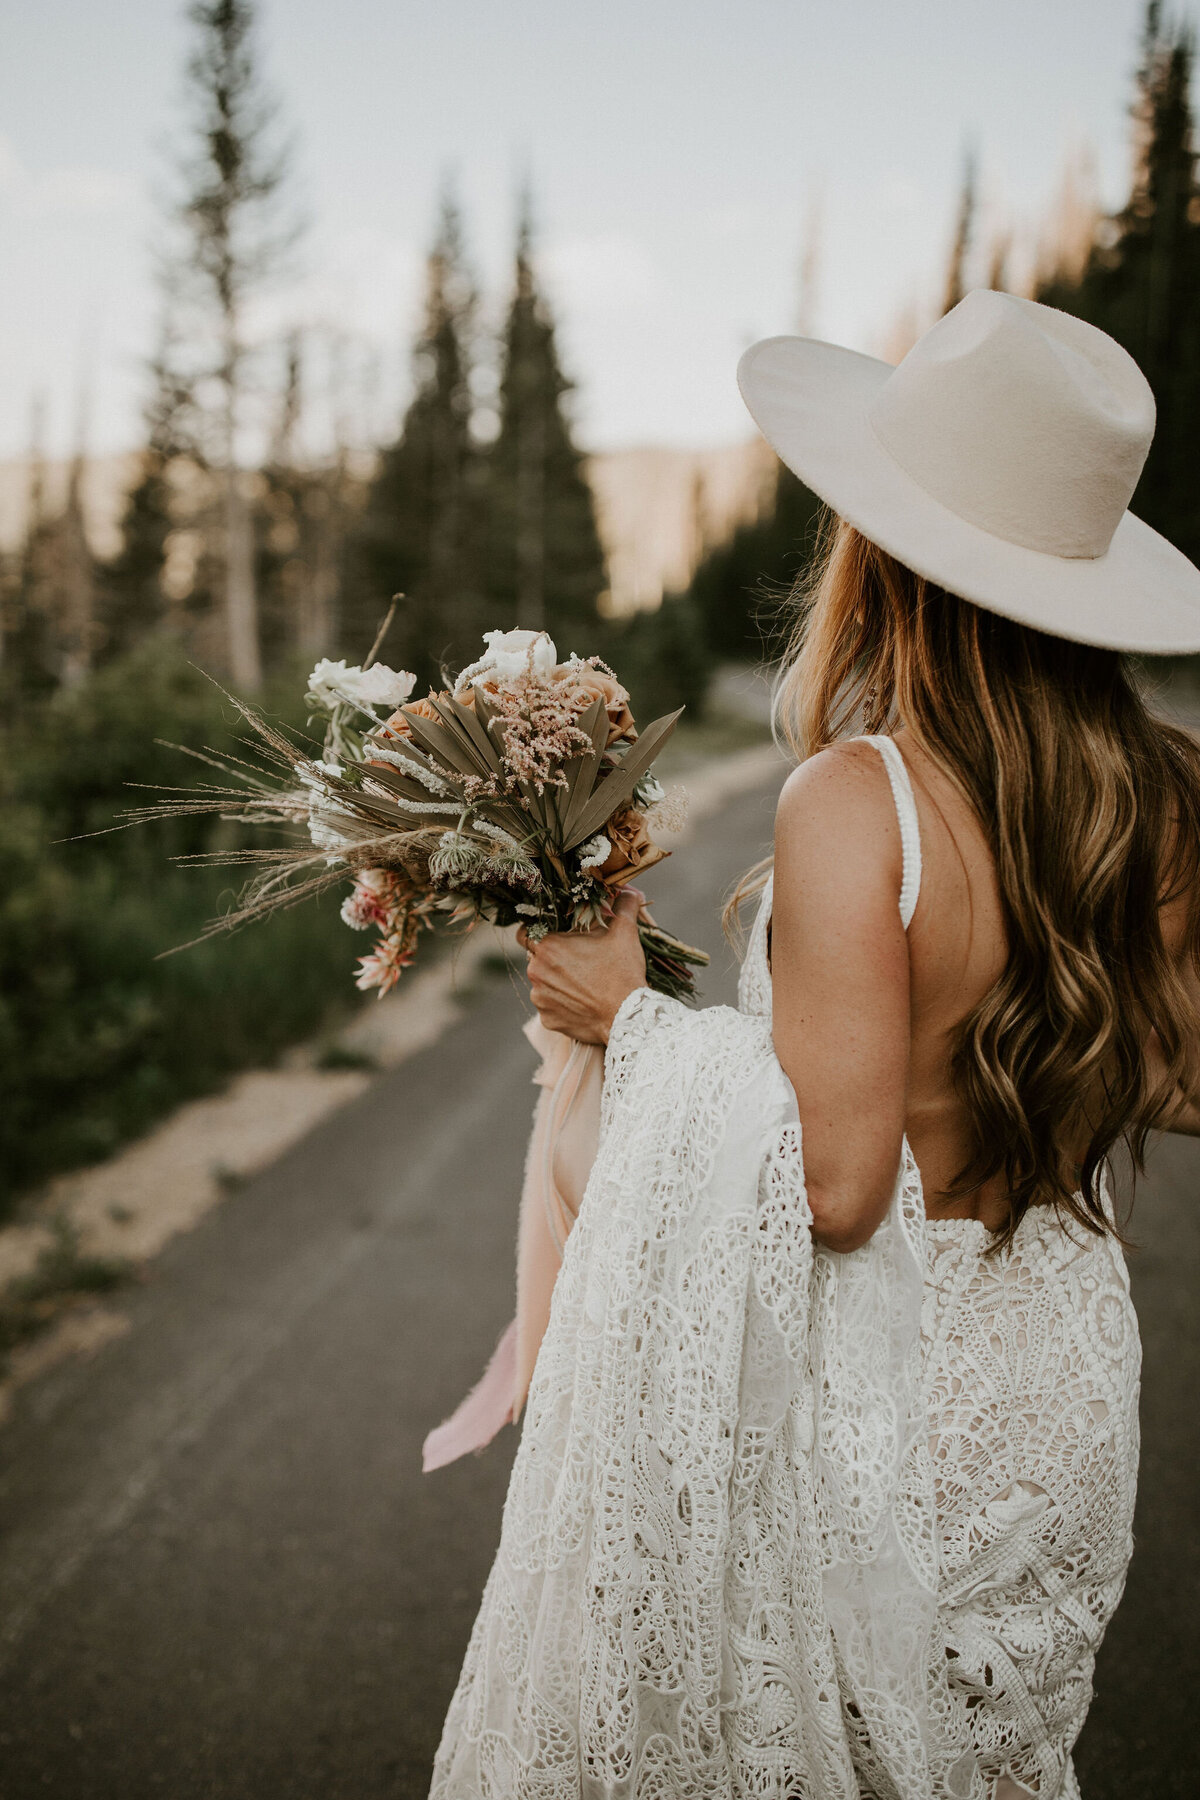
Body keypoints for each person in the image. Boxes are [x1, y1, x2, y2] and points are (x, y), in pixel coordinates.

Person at [429, 290, 1200, 1799]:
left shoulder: (861, 799)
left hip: (888, 1393)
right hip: (1057, 1380)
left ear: (885, 554)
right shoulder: (1169, 794)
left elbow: (838, 1188)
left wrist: (623, 1020)